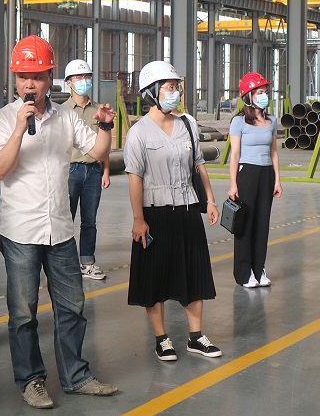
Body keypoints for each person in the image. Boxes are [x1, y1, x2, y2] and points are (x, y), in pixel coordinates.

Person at [0, 35, 118, 409]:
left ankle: (76, 376)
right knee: (23, 313)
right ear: (15, 78)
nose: (30, 84)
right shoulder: (1, 120)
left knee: (72, 307)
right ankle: (31, 380)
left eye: (37, 76)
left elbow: (98, 150)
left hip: (59, 229)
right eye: (23, 77)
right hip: (20, 231)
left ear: (50, 79)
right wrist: (18, 129)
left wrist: (106, 126)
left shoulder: (67, 117)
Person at [125, 60, 222, 362]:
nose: (175, 93)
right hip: (155, 214)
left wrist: (210, 200)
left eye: (176, 87)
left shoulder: (188, 124)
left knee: (194, 274)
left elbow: (199, 165)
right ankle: (162, 338)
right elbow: (134, 178)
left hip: (187, 210)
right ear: (152, 92)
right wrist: (139, 219)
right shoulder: (139, 133)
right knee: (154, 278)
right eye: (169, 87)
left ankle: (196, 336)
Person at [227, 72, 282, 288]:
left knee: (262, 223)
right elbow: (234, 155)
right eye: (259, 92)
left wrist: (277, 180)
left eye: (265, 92)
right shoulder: (238, 122)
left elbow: (274, 152)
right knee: (246, 224)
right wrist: (233, 183)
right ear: (248, 96)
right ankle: (244, 272)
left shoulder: (272, 121)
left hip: (266, 174)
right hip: (247, 174)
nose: (264, 95)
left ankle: (259, 269)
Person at [62, 59, 111, 280]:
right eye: (79, 77)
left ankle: (87, 263)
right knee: (66, 219)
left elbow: (104, 146)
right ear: (69, 82)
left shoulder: (99, 110)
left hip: (93, 172)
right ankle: (63, 264)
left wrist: (106, 171)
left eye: (87, 77)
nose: (84, 81)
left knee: (89, 220)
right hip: (69, 172)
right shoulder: (62, 111)